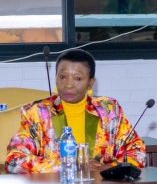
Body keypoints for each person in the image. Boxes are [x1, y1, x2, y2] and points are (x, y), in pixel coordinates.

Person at [5, 48, 146, 174]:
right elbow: (14, 161)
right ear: (55, 78)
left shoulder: (108, 110)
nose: (68, 85)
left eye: (78, 78)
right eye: (62, 77)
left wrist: (108, 169)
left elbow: (138, 152)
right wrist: (70, 166)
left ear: (90, 83)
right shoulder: (38, 112)